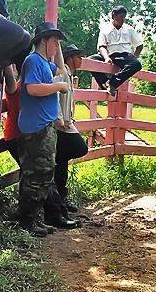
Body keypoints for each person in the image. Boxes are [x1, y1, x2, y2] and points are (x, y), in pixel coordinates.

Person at [17, 22, 68, 237]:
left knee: (43, 174)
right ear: (43, 41)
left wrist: (58, 48)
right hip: (36, 129)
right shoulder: (33, 61)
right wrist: (58, 86)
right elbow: (33, 88)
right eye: (55, 42)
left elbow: (62, 69)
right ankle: (27, 220)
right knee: (37, 175)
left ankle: (31, 218)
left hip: (43, 127)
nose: (57, 47)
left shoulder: (45, 64)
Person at [54, 45, 89, 210]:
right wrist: (60, 119)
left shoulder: (69, 74)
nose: (81, 59)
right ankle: (60, 197)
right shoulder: (63, 74)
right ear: (69, 58)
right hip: (61, 125)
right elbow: (54, 95)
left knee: (62, 162)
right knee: (80, 148)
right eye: (78, 56)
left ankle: (61, 198)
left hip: (65, 123)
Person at [89, 6, 143, 97]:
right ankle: (105, 84)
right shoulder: (105, 29)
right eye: (121, 16)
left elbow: (139, 45)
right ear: (114, 15)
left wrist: (135, 55)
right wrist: (106, 58)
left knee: (136, 64)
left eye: (124, 17)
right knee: (90, 60)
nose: (123, 19)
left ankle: (112, 83)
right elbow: (102, 46)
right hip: (109, 54)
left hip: (124, 55)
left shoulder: (129, 29)